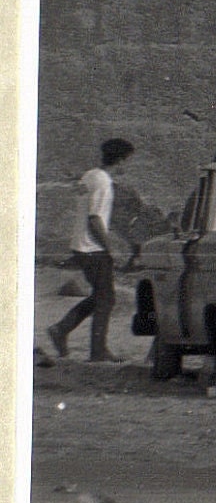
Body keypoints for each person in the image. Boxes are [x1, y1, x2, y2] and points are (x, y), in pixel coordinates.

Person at [48, 137, 134, 362]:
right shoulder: (104, 182)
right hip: (93, 249)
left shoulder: (89, 176)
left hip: (81, 246)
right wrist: (111, 248)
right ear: (121, 160)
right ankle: (97, 351)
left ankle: (61, 330)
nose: (128, 166)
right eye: (127, 161)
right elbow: (95, 218)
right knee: (106, 299)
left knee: (101, 296)